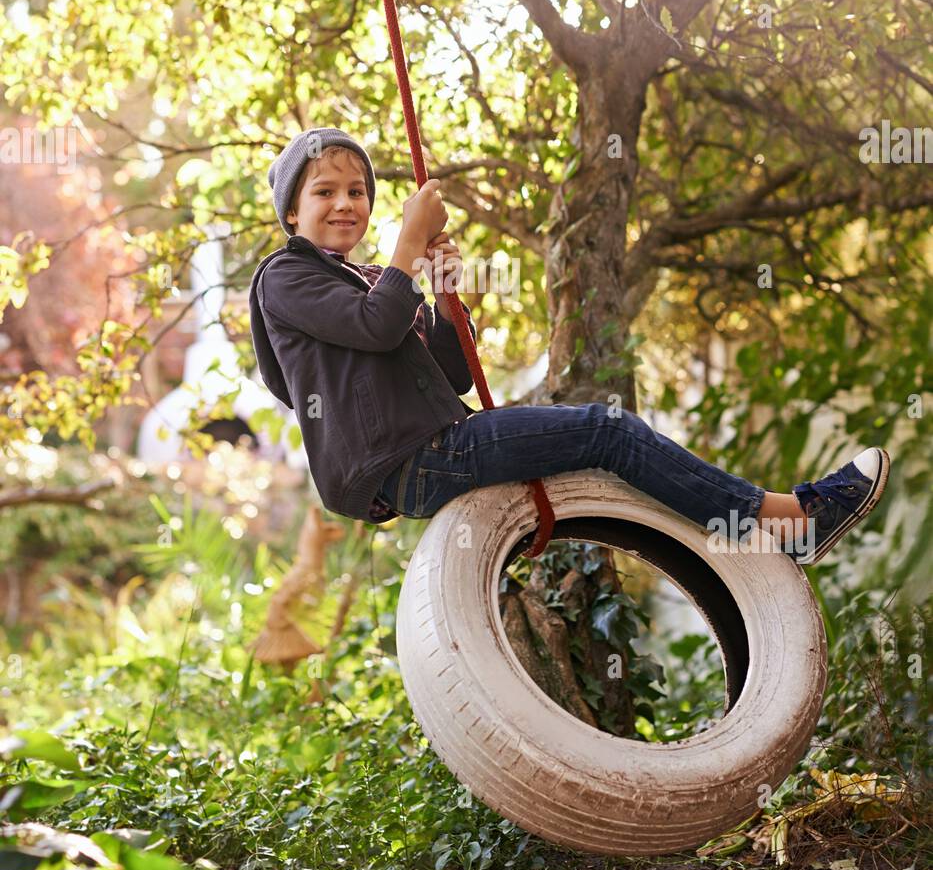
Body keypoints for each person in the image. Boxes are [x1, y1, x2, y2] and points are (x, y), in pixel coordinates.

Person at [248, 127, 890, 566]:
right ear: (292, 214)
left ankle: (737, 531)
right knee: (607, 432)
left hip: (435, 441)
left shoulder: (369, 280)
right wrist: (409, 248)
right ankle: (788, 519)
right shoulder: (286, 276)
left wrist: (446, 297)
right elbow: (375, 328)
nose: (345, 204)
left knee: (602, 450)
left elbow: (452, 374)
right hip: (411, 461)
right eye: (324, 192)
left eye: (357, 191)